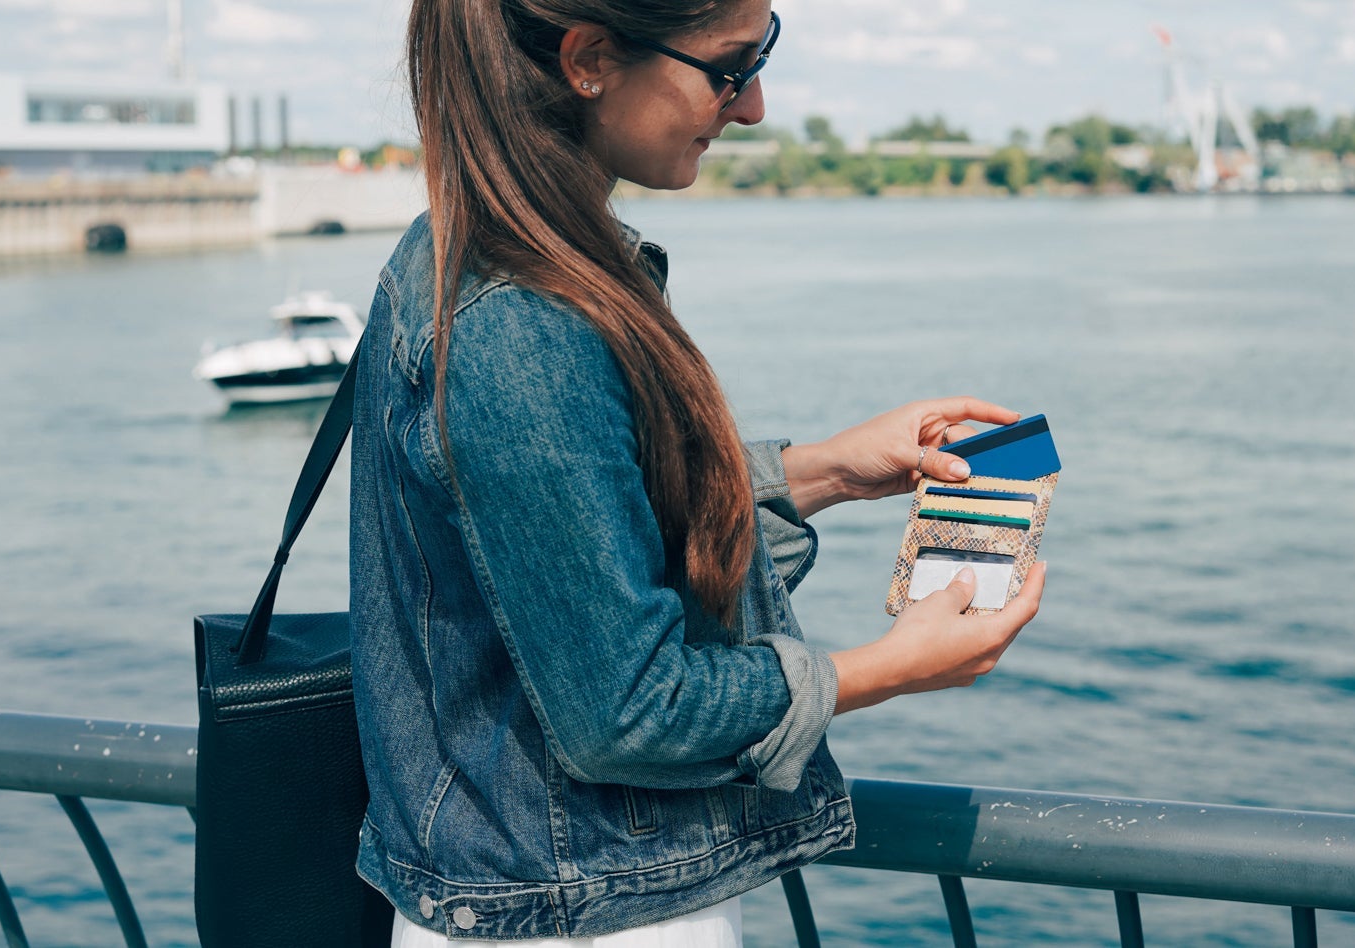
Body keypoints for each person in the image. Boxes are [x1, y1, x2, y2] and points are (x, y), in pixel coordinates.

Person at [348, 0, 1048, 944]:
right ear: (590, 59)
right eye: (729, 66)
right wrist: (884, 670)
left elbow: (561, 532)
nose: (754, 105)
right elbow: (626, 710)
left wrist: (825, 471)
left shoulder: (461, 249)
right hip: (577, 919)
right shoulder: (524, 317)